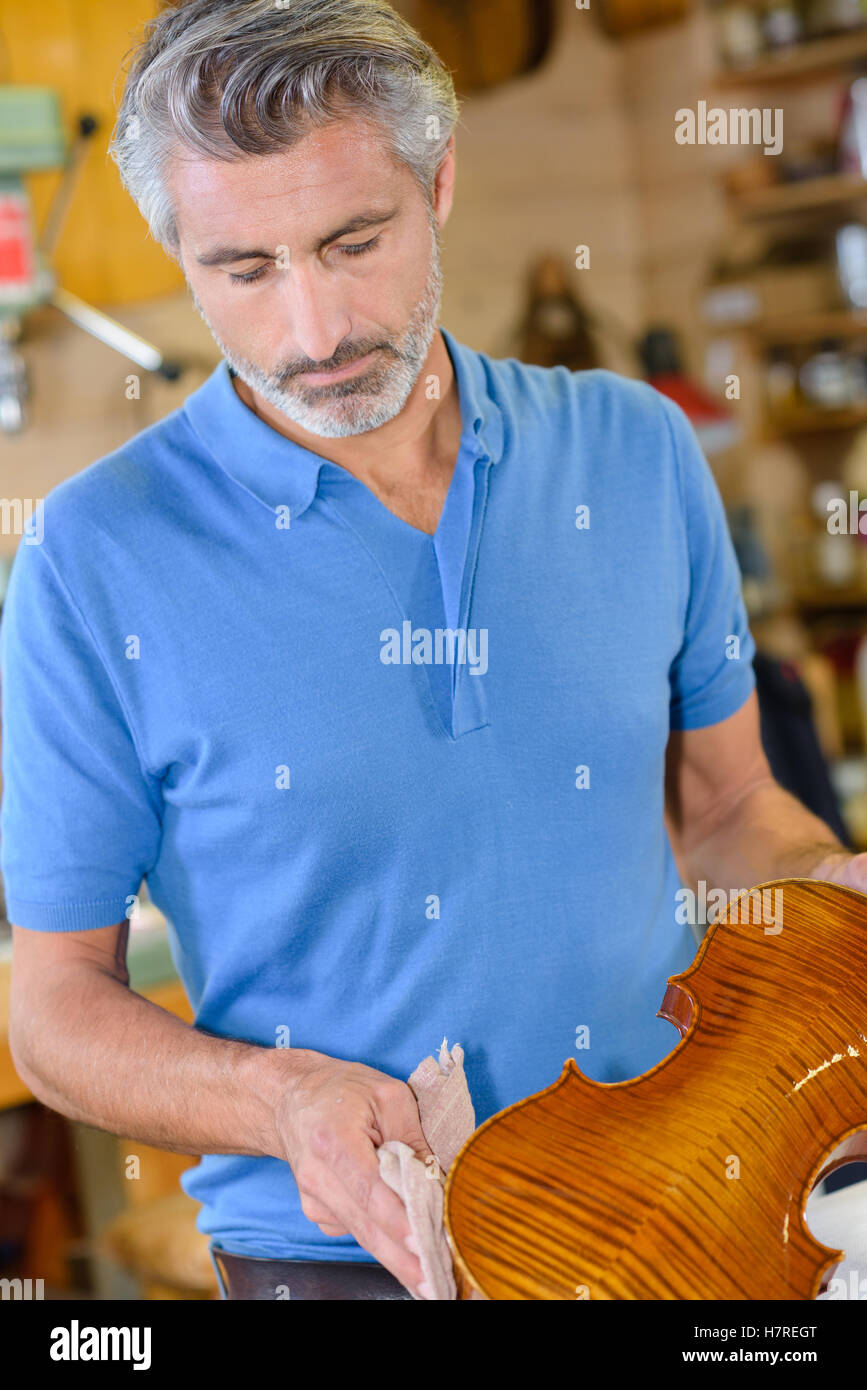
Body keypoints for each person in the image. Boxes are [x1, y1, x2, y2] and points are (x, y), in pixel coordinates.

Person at [2, 0, 863, 1301]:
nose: (315, 329)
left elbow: (730, 803)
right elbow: (54, 1004)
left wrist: (829, 890)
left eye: (356, 240)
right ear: (180, 245)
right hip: (345, 1265)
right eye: (242, 268)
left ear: (440, 178)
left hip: (692, 1199)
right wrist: (278, 1095)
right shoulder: (90, 555)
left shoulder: (633, 452)